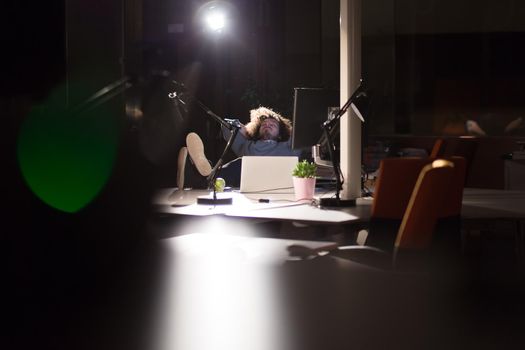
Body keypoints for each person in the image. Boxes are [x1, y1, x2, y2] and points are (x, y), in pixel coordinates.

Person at [178, 106, 305, 189]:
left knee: (242, 163)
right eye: (264, 124)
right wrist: (241, 128)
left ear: (280, 133)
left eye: (273, 124)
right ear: (257, 131)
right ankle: (196, 176)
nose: (267, 125)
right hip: (250, 181)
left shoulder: (290, 145)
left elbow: (309, 136)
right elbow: (226, 125)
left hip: (281, 182)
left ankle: (204, 174)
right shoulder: (247, 144)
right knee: (239, 165)